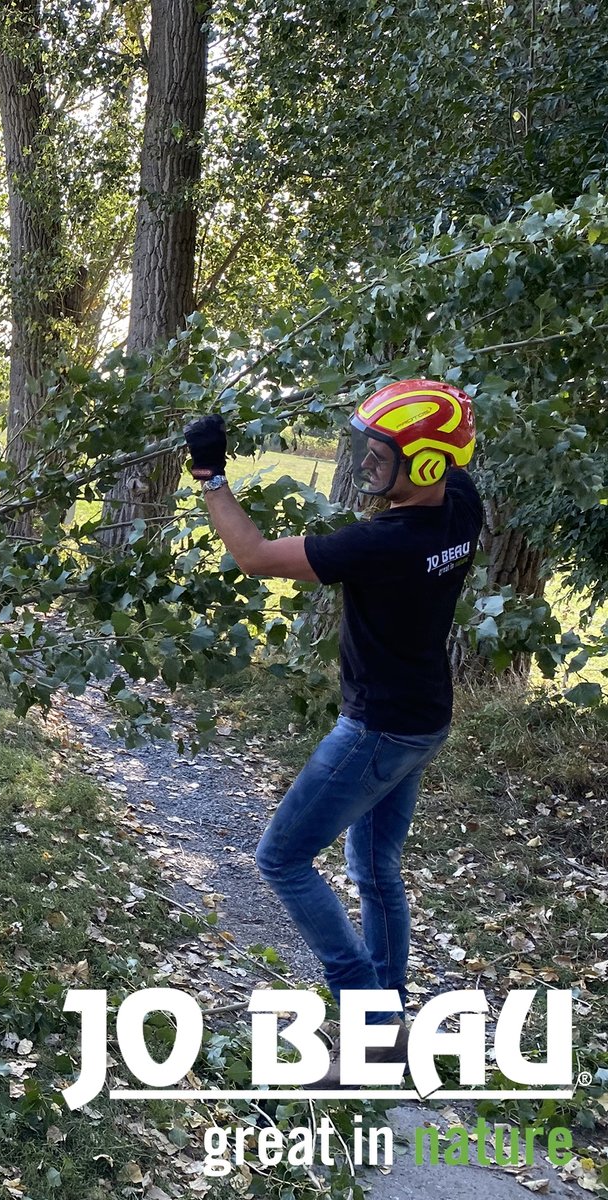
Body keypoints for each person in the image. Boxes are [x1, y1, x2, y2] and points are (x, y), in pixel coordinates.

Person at [183, 380, 482, 1078]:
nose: (366, 465)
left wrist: (211, 476)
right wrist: (433, 402)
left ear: (429, 465)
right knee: (375, 868)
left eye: (381, 455)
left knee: (281, 859)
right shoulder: (461, 509)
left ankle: (365, 1008)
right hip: (423, 722)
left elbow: (254, 556)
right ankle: (388, 1022)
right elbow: (455, 446)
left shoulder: (381, 542)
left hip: (377, 731)